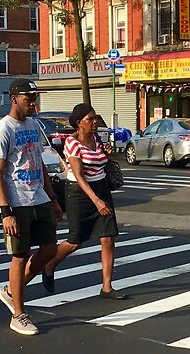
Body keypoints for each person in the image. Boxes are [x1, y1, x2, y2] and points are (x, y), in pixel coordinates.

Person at [0, 79, 64, 336]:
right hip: (17, 202)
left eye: (34, 98)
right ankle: (18, 314)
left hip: (40, 197)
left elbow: (39, 162)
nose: (33, 103)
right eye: (28, 98)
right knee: (19, 256)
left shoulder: (34, 124)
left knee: (49, 250)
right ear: (14, 99)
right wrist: (5, 211)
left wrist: (53, 198)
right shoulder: (3, 130)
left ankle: (11, 291)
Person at [41, 103, 126, 300]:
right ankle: (50, 264)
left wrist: (106, 154)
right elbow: (79, 175)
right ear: (79, 123)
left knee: (108, 238)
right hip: (80, 193)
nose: (94, 122)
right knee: (75, 241)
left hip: (101, 188)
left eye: (95, 118)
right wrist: (96, 201)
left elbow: (100, 163)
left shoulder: (96, 139)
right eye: (90, 119)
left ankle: (107, 287)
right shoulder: (72, 143)